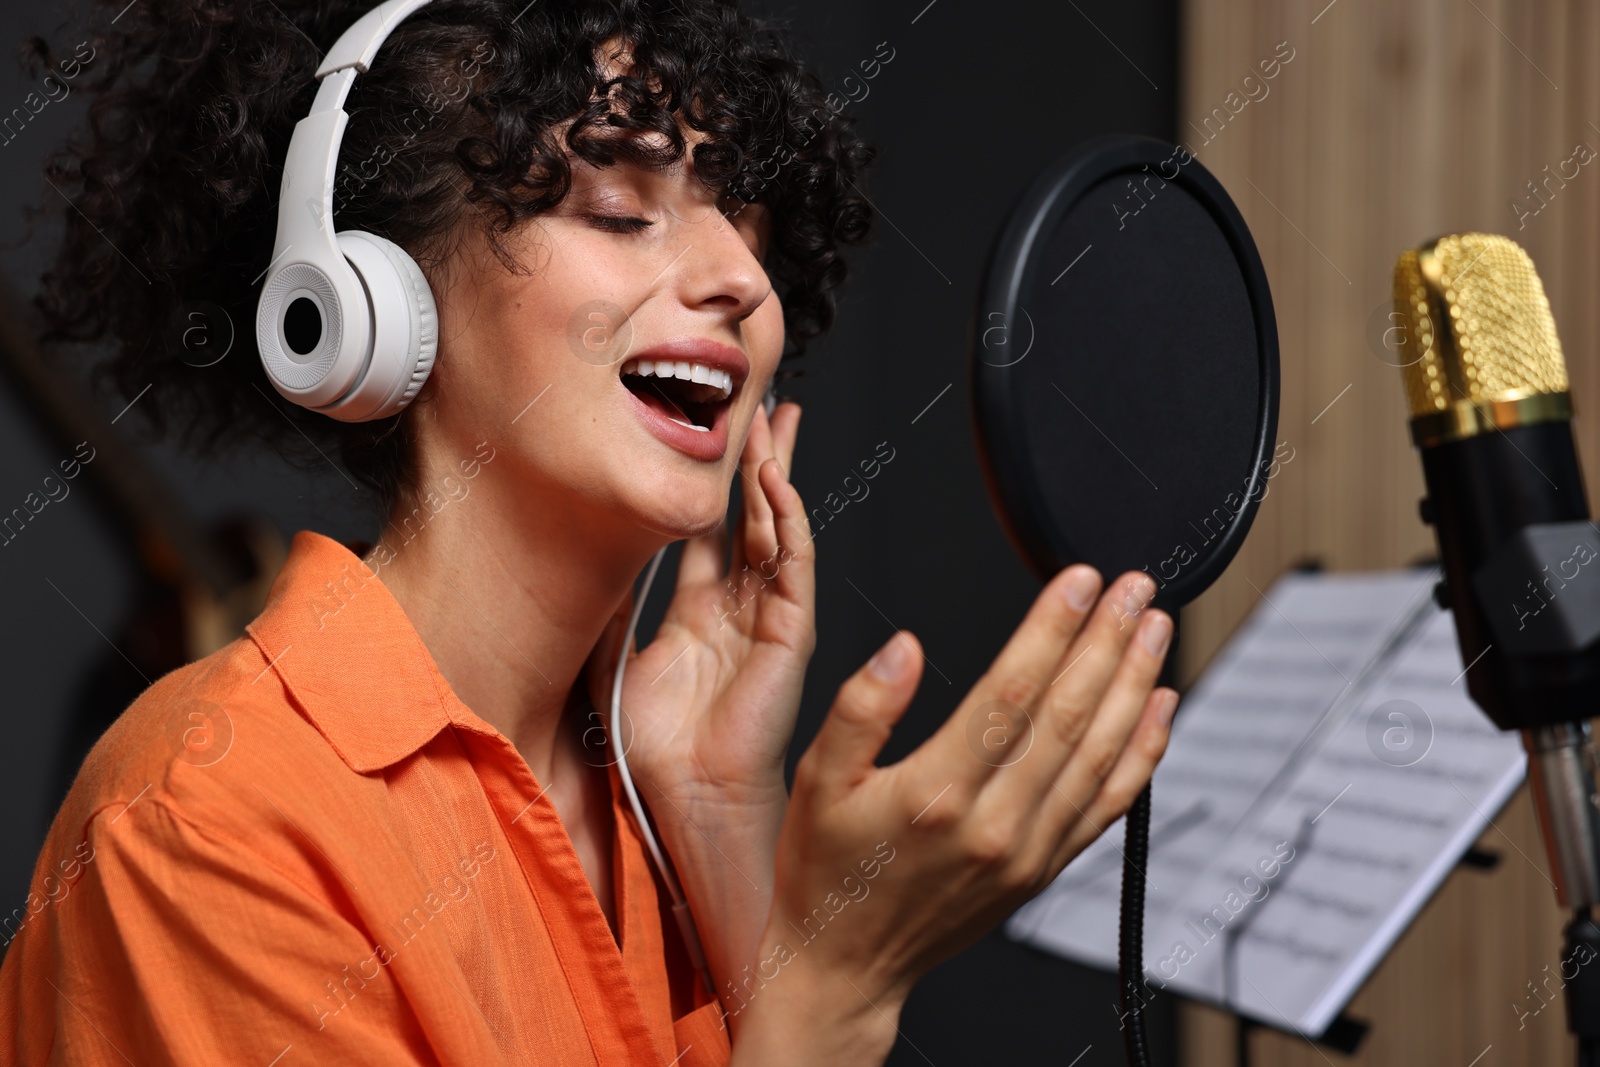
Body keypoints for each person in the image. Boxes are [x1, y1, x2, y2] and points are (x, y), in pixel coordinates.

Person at [0, 0, 1179, 1063]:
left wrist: (723, 816)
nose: (739, 279)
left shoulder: (660, 800)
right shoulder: (201, 827)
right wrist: (839, 982)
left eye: (748, 223)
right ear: (371, 300)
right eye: (620, 209)